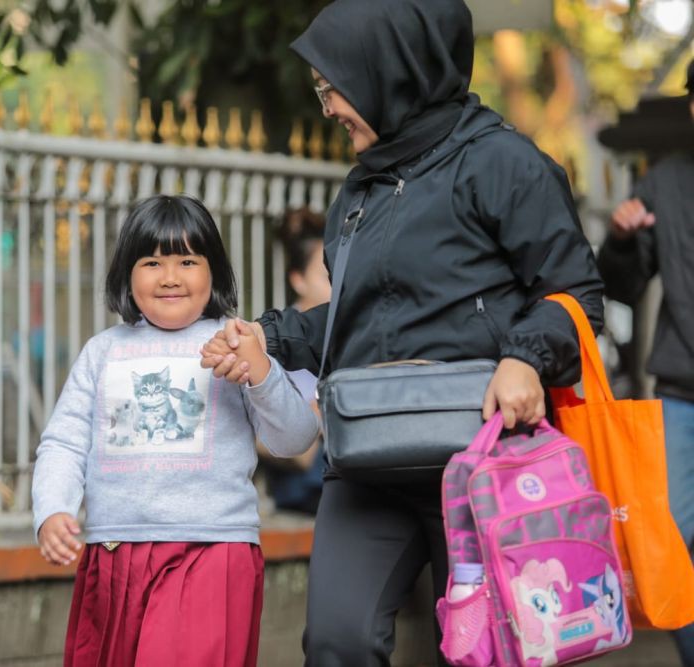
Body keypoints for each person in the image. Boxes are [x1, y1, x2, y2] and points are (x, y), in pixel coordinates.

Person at [200, 1, 604, 664]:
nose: (327, 106)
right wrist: (270, 338)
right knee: (337, 641)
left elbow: (576, 295)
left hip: (483, 460)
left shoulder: (501, 162)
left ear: (395, 69)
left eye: (335, 85)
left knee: (493, 651)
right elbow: (359, 314)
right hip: (368, 461)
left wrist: (526, 360)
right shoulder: (360, 189)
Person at [32, 194, 319, 666]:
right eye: (151, 262)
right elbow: (64, 441)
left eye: (187, 260)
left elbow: (295, 438)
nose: (169, 277)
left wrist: (262, 373)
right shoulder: (102, 351)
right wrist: (52, 509)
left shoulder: (235, 341)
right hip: (115, 551)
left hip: (212, 550)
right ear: (127, 273)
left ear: (215, 272)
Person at [596, 59, 694, 666]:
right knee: (674, 541)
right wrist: (622, 241)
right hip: (682, 393)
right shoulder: (664, 183)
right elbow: (622, 289)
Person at [256, 208, 330, 515]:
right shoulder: (274, 337)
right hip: (303, 477)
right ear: (297, 280)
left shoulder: (352, 330)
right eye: (328, 277)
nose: (338, 287)